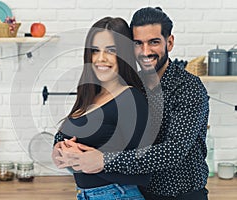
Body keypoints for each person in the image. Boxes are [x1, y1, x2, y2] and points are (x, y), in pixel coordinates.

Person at [54, 7, 210, 200]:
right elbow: (90, 122)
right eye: (137, 43)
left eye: (153, 42)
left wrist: (103, 160)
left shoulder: (188, 87)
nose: (145, 51)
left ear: (169, 42)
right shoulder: (132, 84)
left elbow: (174, 150)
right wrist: (61, 145)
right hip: (137, 192)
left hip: (181, 195)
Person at [52, 16, 153, 200]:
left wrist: (99, 163)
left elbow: (144, 170)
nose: (100, 58)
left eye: (111, 50)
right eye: (95, 50)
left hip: (118, 195)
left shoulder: (131, 99)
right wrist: (59, 149)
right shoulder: (90, 94)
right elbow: (67, 133)